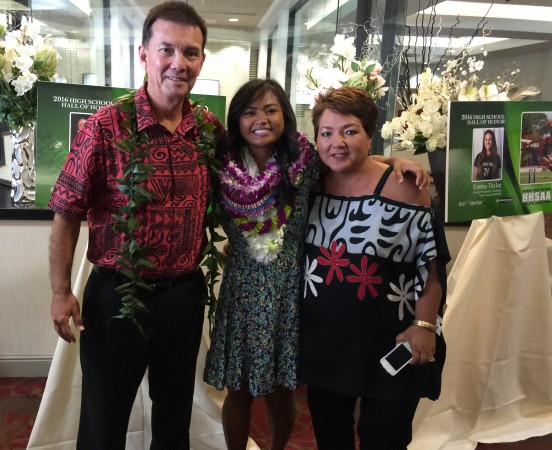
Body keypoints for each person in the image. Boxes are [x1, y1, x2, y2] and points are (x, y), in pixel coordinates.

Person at [203, 79, 431, 450]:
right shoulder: (221, 165)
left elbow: (349, 160)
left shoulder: (303, 161)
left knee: (281, 394)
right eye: (249, 112)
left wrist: (395, 161)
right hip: (242, 293)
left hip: (292, 293)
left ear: (285, 116)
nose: (261, 119)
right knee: (238, 391)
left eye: (271, 110)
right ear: (237, 120)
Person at [48, 2, 223, 449]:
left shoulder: (209, 130)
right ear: (143, 54)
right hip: (116, 297)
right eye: (167, 49)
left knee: (174, 416)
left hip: (183, 296)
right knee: (104, 419)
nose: (179, 63)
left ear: (202, 60)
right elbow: (66, 210)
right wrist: (60, 291)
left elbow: (258, 169)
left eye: (191, 52)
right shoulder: (104, 127)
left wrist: (376, 163)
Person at [300, 86, 449, 450]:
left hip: (392, 339)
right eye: (326, 133)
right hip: (325, 343)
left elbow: (431, 267)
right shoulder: (309, 185)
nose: (337, 142)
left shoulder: (405, 188)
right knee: (330, 436)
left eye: (350, 131)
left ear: (369, 135)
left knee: (385, 437)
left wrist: (424, 326)